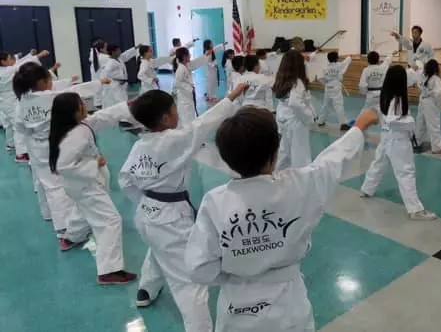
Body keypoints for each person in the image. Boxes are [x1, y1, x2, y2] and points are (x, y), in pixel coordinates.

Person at [184, 107, 378, 332]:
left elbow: (198, 268)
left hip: (236, 307)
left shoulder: (215, 202)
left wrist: (239, 269)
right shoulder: (300, 186)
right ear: (275, 154)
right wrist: (358, 127)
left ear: (226, 159)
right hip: (288, 306)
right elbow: (332, 161)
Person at [119, 85, 247, 332]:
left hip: (147, 214)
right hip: (169, 219)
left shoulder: (139, 145)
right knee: (190, 282)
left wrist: (147, 202)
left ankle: (147, 288)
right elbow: (205, 124)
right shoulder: (175, 140)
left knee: (159, 248)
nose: (178, 112)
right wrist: (231, 97)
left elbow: (125, 180)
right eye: (174, 108)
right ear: (166, 118)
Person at [49, 93, 137, 284]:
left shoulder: (77, 127)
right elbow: (63, 165)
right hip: (85, 186)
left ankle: (71, 238)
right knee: (110, 221)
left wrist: (126, 106)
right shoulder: (76, 136)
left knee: (83, 211)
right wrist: (94, 164)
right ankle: (109, 271)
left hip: (79, 187)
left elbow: (100, 117)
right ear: (73, 112)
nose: (84, 105)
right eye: (81, 104)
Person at [14, 63, 104, 245]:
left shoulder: (21, 102)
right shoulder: (52, 97)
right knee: (58, 186)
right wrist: (99, 83)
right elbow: (74, 92)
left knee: (45, 183)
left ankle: (48, 214)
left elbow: (20, 128)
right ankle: (64, 228)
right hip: (54, 143)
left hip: (36, 147)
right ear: (42, 81)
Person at [360, 65, 437, 220]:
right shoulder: (397, 98)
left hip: (386, 137)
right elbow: (393, 120)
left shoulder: (386, 93)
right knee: (406, 172)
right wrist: (411, 123)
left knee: (379, 163)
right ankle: (415, 210)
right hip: (398, 139)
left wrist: (416, 67)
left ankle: (367, 188)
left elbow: (412, 77)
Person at [0, 50, 49, 160]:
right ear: (3, 62)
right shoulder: (8, 71)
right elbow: (20, 65)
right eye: (10, 58)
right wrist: (39, 55)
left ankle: (10, 144)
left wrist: (24, 55)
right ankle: (20, 153)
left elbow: (17, 61)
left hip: (3, 101)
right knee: (16, 126)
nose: (12, 59)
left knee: (8, 124)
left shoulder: (3, 70)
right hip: (10, 101)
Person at [273, 50, 316, 170]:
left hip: (283, 119)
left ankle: (276, 176)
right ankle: (302, 181)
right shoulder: (297, 81)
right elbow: (295, 103)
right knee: (301, 155)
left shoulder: (282, 79)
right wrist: (309, 118)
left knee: (284, 152)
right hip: (296, 122)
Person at [172, 47, 212, 128]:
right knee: (186, 117)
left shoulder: (185, 66)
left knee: (189, 115)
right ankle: (187, 133)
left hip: (187, 96)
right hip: (184, 99)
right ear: (184, 57)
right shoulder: (180, 69)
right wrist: (189, 88)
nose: (190, 56)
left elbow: (197, 62)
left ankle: (190, 131)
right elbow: (176, 83)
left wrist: (205, 56)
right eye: (189, 54)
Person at [415, 59, 441, 154]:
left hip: (422, 100)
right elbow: (437, 94)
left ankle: (417, 141)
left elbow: (418, 86)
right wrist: (440, 102)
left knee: (420, 122)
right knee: (434, 124)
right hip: (430, 102)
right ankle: (437, 147)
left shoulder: (422, 76)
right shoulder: (436, 79)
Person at [317, 51, 352, 131]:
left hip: (328, 88)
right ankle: (343, 124)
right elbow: (346, 61)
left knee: (326, 105)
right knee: (339, 105)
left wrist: (325, 84)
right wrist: (349, 56)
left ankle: (320, 121)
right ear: (336, 58)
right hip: (336, 87)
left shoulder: (325, 68)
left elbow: (319, 78)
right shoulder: (339, 66)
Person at [101, 43, 139, 108]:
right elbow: (103, 76)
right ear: (113, 52)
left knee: (123, 102)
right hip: (114, 87)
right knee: (118, 103)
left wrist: (135, 48)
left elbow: (126, 55)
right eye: (118, 50)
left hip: (121, 86)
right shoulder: (110, 63)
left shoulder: (119, 59)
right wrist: (112, 83)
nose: (120, 51)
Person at [358, 51, 393, 116]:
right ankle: (385, 126)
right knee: (383, 114)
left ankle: (357, 126)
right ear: (378, 60)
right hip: (382, 94)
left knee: (364, 113)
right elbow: (387, 61)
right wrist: (391, 54)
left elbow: (362, 85)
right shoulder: (383, 67)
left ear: (368, 60)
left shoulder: (366, 70)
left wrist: (365, 92)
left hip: (371, 95)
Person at [89, 38, 109, 107]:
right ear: (101, 49)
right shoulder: (104, 58)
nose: (108, 49)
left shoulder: (95, 59)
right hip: (103, 93)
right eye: (106, 47)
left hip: (98, 94)